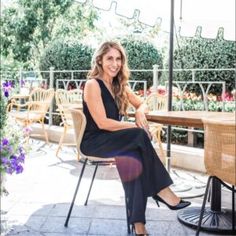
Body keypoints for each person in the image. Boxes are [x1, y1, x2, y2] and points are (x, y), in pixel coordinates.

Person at [81, 41, 191, 236]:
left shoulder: (118, 85)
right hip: (95, 142)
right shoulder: (92, 84)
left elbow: (142, 103)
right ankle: (162, 190)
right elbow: (103, 123)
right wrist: (134, 126)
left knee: (133, 157)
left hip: (116, 140)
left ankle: (139, 226)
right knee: (139, 135)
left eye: (118, 59)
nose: (115, 64)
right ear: (99, 60)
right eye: (110, 59)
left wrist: (140, 112)